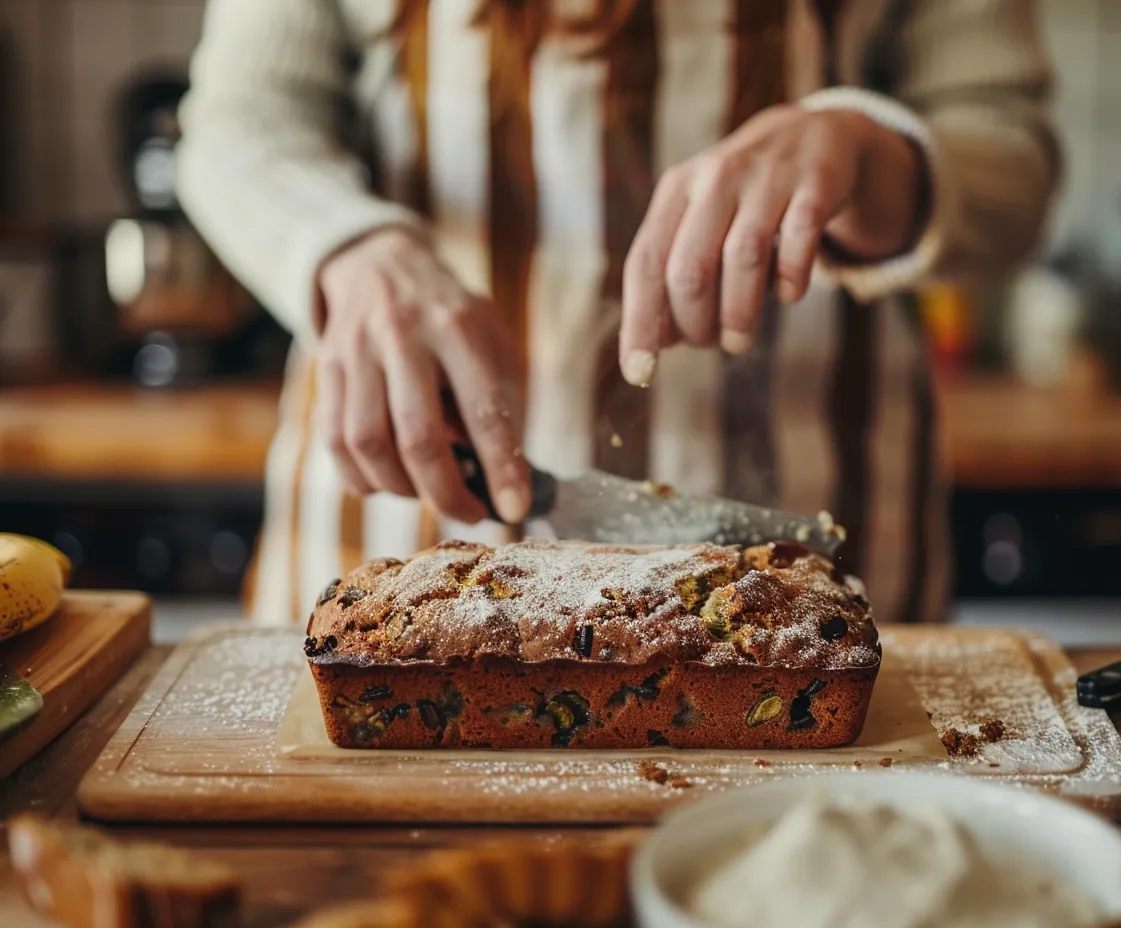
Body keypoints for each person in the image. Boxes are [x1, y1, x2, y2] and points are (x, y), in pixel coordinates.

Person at [177, 0, 1059, 628]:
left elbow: (1013, 171)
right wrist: (348, 247)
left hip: (817, 544)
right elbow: (240, 121)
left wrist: (864, 155)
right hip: (410, 522)